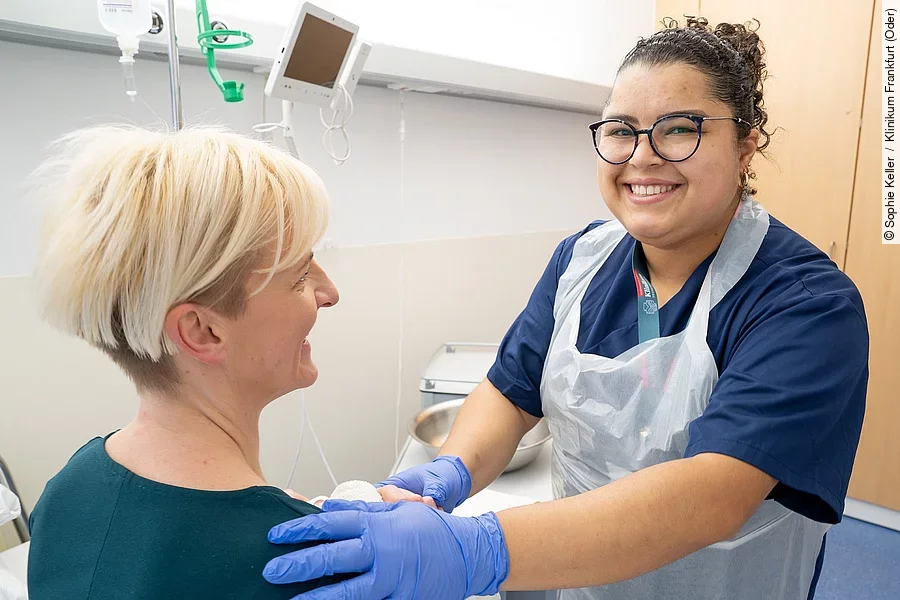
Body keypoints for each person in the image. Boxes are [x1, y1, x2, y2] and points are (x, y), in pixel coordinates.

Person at [261, 17, 870, 600]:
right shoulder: (581, 260)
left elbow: (714, 493)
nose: (642, 156)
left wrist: (476, 549)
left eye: (679, 129)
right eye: (621, 130)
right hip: (581, 576)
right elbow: (510, 392)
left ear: (744, 147)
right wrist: (449, 474)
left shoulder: (807, 306)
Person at [24, 126, 426, 599]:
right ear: (202, 331)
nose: (329, 293)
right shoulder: (308, 571)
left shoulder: (68, 489)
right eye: (300, 276)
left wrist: (297, 510)